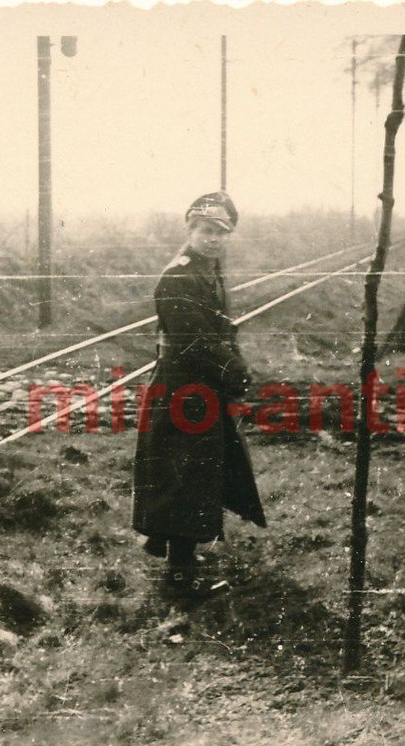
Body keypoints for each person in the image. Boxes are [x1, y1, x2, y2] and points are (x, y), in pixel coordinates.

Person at [132, 191, 267, 598]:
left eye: (221, 232)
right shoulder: (179, 276)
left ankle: (173, 551)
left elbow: (220, 329)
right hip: (182, 389)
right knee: (183, 475)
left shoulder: (208, 269)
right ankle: (179, 577)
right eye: (206, 230)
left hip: (199, 387)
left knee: (191, 472)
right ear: (190, 230)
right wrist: (235, 370)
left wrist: (232, 364)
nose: (213, 238)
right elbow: (195, 341)